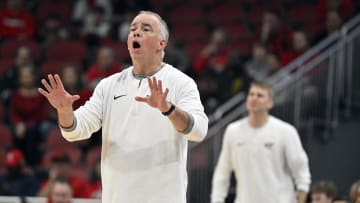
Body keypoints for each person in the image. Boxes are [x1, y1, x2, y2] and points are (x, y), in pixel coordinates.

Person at [38, 10, 208, 203]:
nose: (136, 32)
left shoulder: (181, 82)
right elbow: (75, 131)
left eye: (146, 29)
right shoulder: (108, 85)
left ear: (162, 43)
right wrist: (64, 111)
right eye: (133, 29)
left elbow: (199, 131)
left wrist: (168, 108)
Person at [211, 82, 311, 203]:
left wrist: (302, 191)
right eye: (251, 94)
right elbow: (223, 171)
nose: (254, 98)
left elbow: (301, 168)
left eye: (260, 95)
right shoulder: (233, 131)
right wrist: (217, 199)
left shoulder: (286, 131)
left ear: (270, 103)